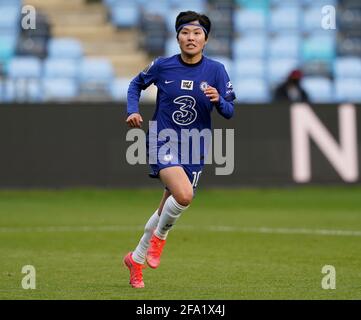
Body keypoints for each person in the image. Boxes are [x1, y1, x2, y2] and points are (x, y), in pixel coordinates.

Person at [123, 10, 236, 288]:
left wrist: (219, 99)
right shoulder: (163, 66)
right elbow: (136, 83)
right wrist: (132, 110)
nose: (191, 38)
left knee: (165, 208)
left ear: (205, 39)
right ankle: (160, 239)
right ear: (177, 37)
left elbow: (230, 111)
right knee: (184, 196)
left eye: (197, 33)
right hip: (162, 140)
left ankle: (135, 259)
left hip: (195, 146)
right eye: (185, 32)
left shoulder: (216, 70)